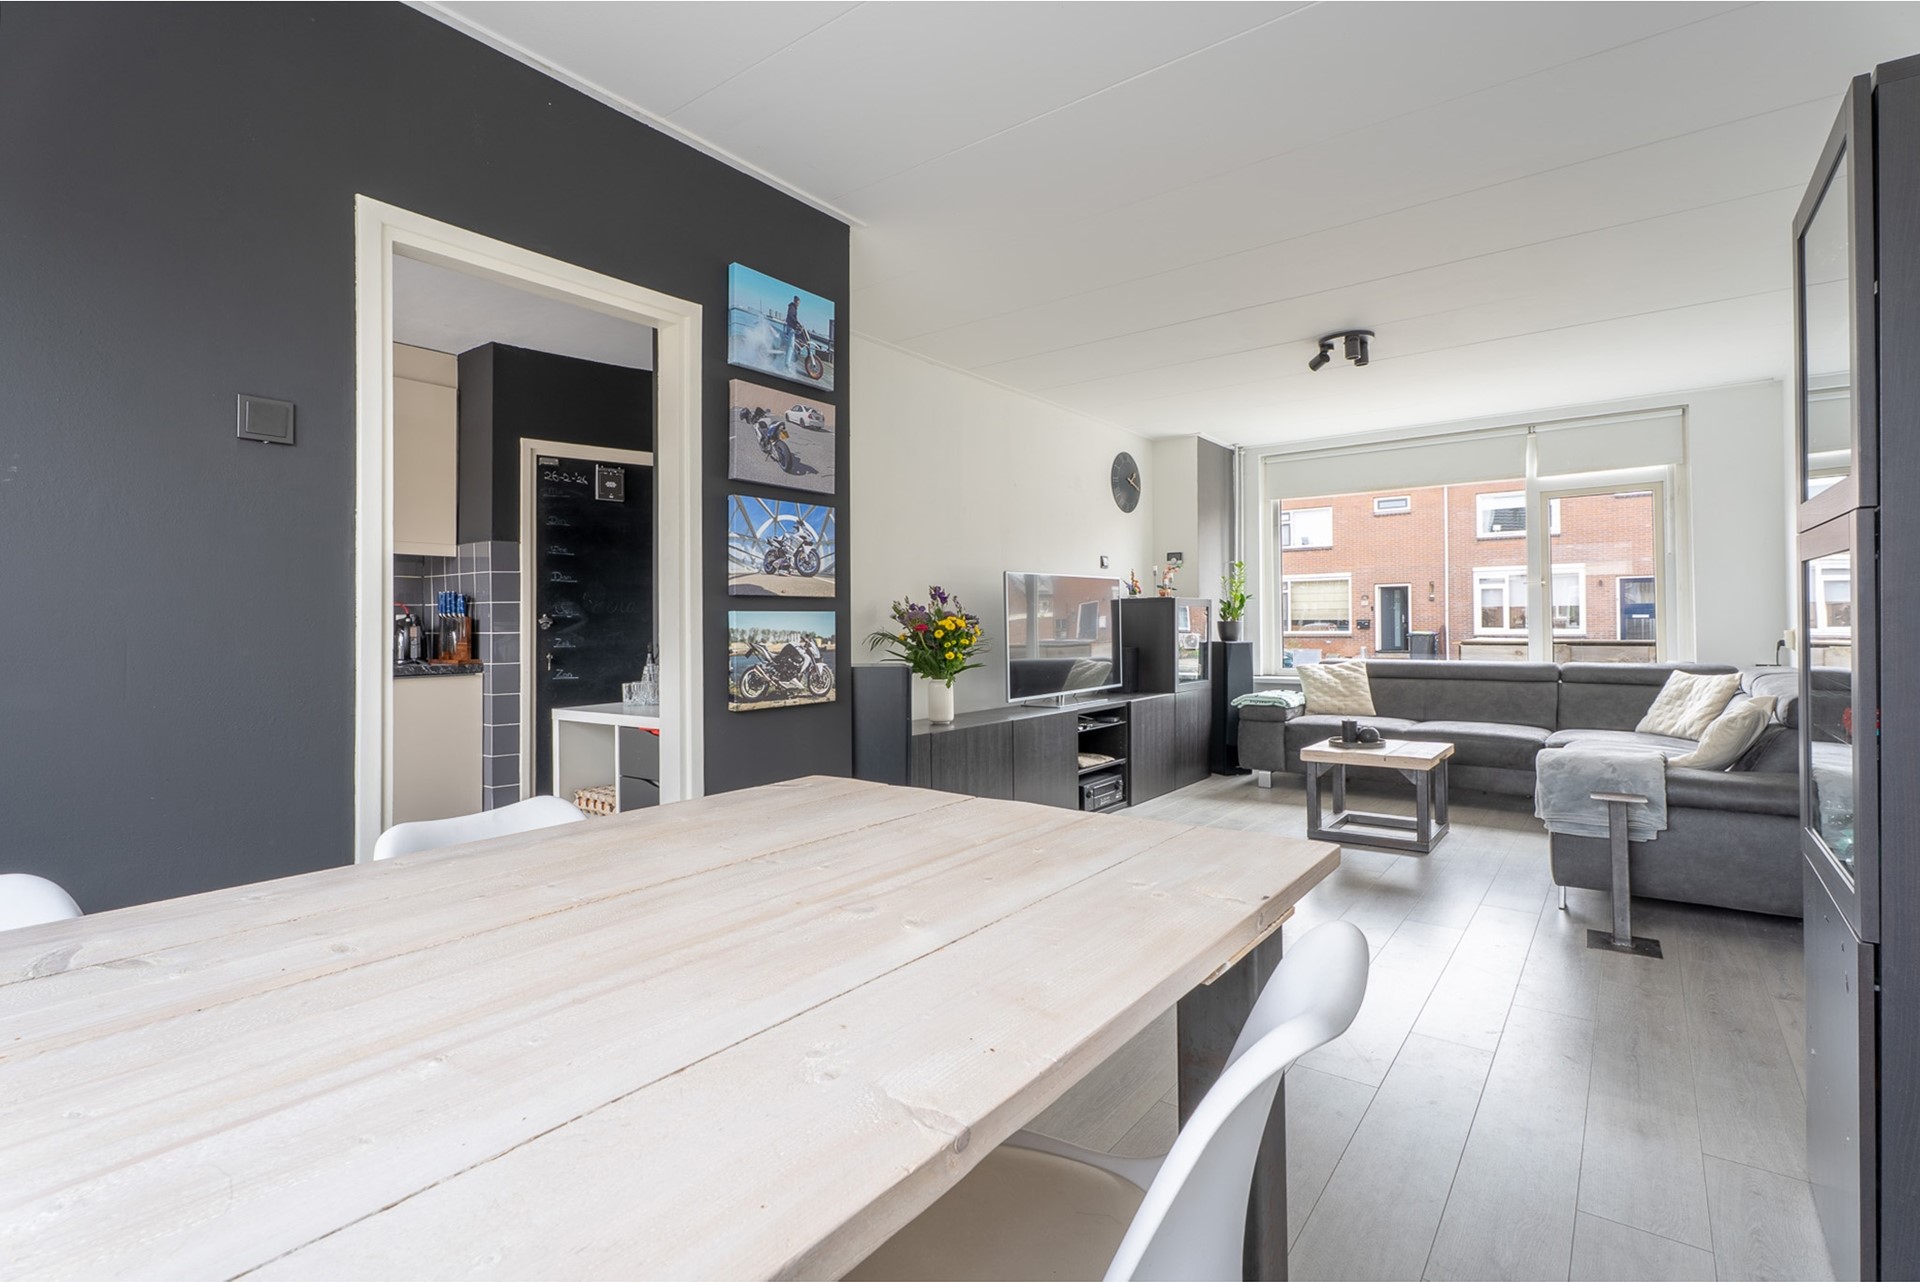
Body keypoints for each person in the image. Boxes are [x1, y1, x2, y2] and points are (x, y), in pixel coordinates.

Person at [785, 295, 805, 363]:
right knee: (791, 346)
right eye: (797, 303)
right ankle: (787, 365)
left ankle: (793, 357)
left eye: (799, 303)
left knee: (794, 342)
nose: (798, 304)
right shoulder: (792, 307)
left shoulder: (793, 307)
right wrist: (797, 323)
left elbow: (794, 318)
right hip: (791, 328)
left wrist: (798, 324)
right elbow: (791, 316)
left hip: (791, 327)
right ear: (795, 301)